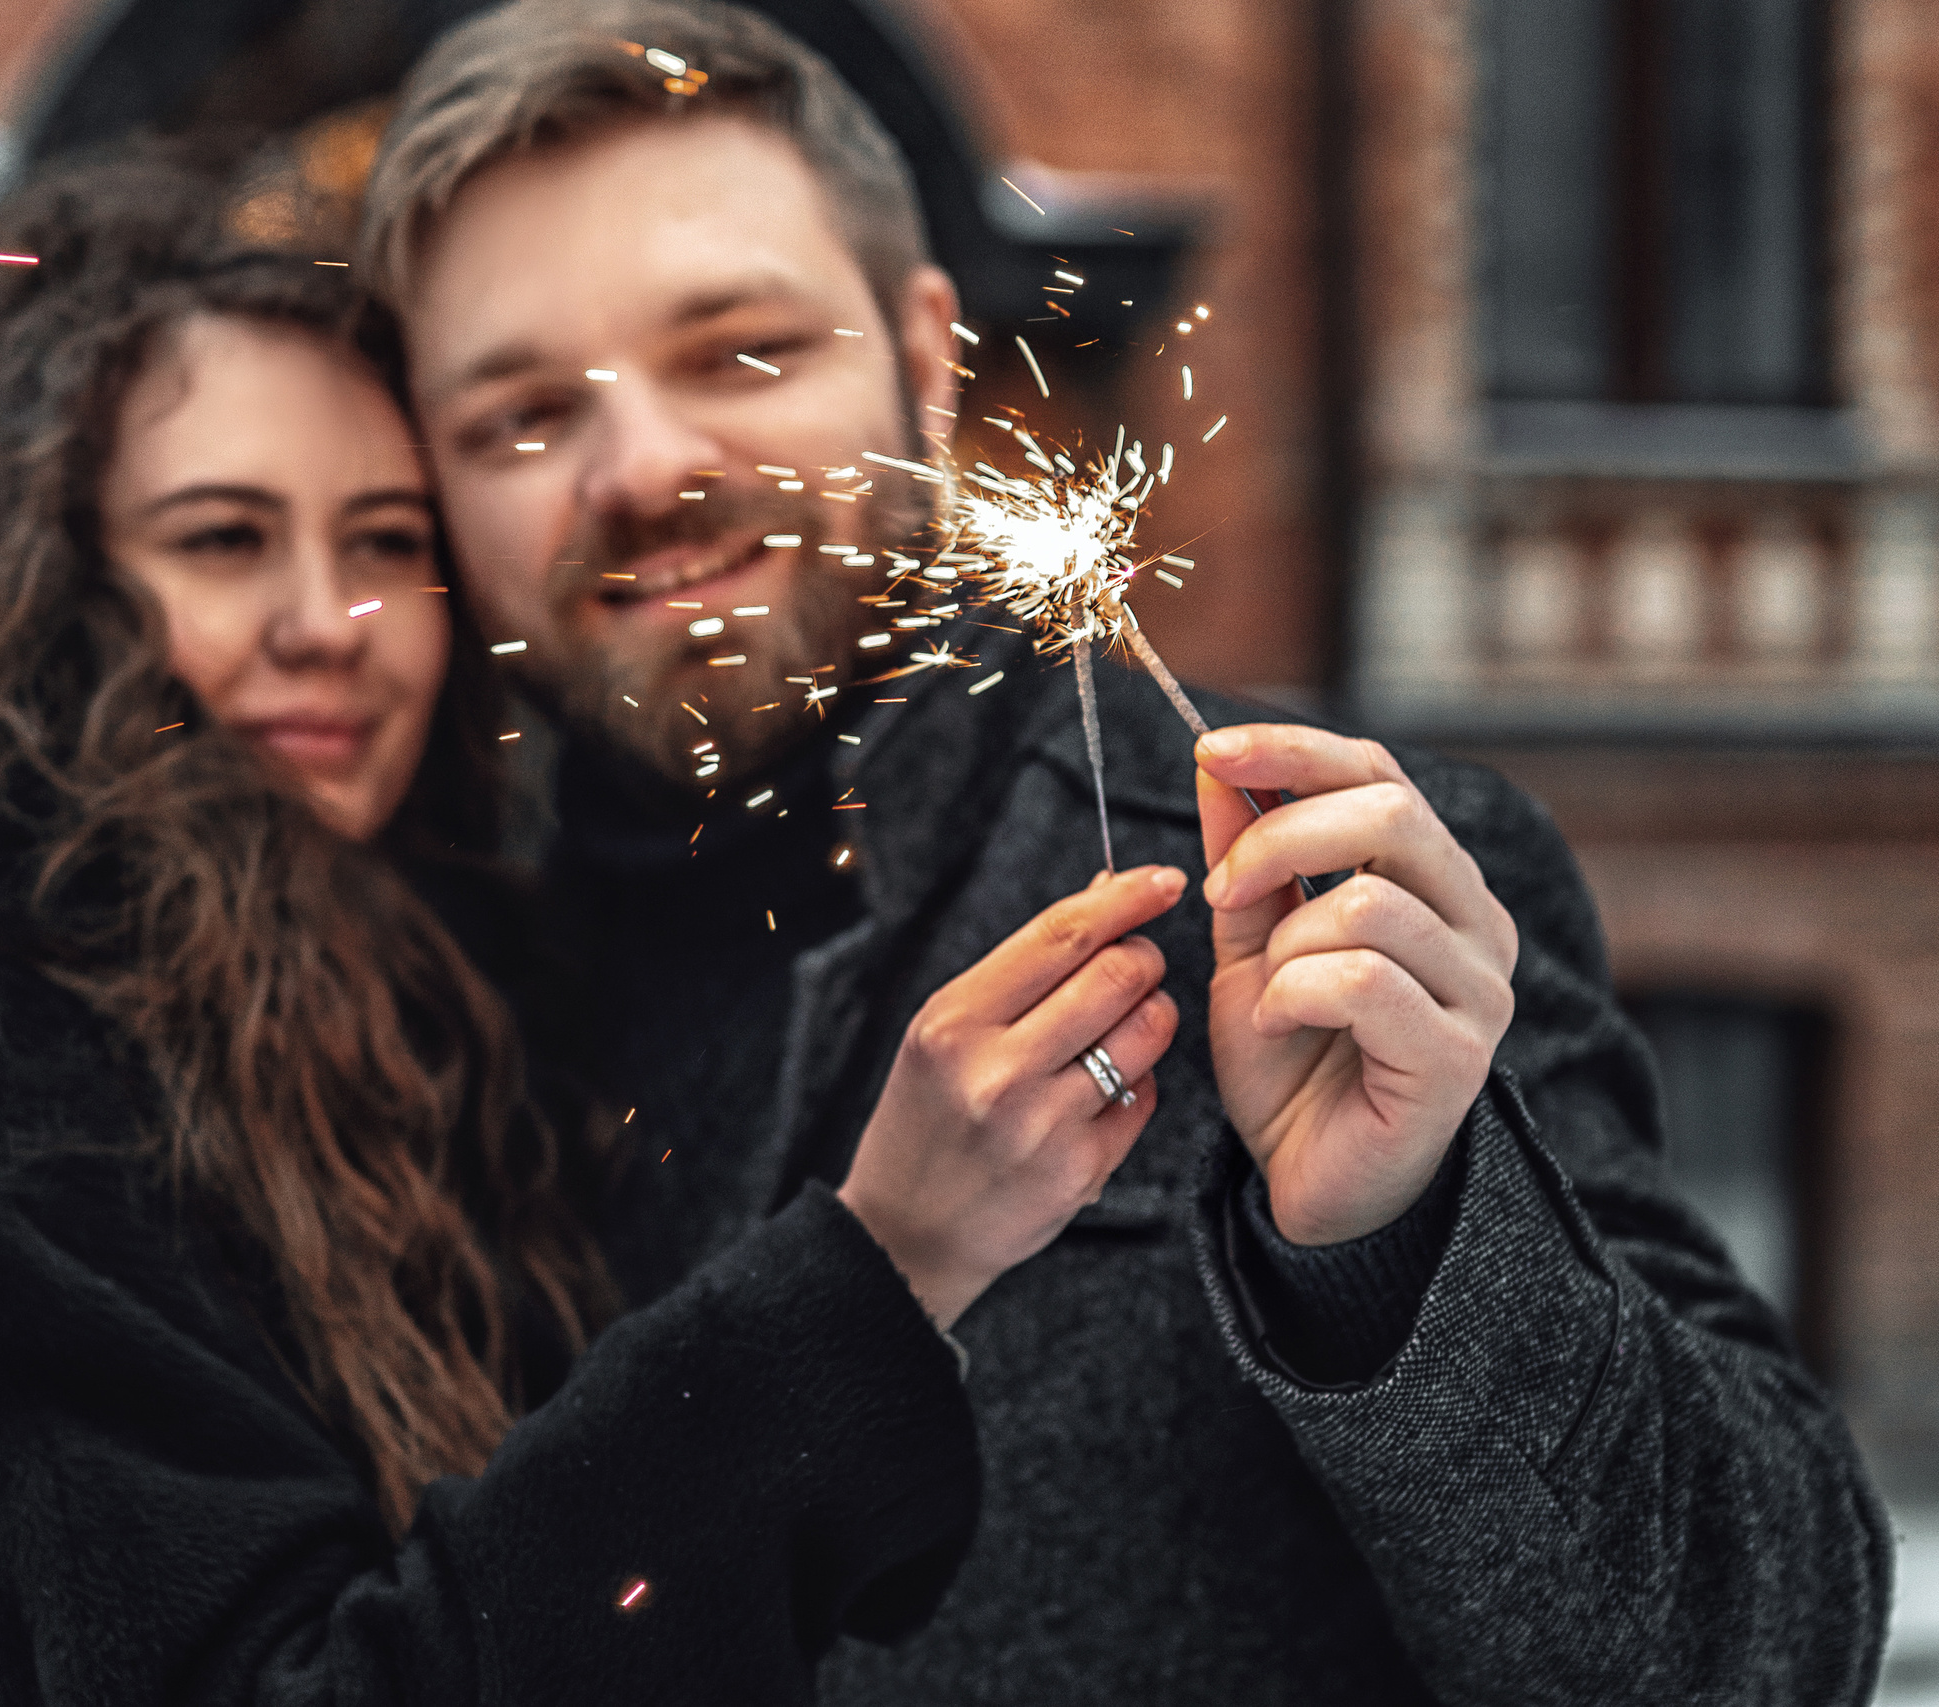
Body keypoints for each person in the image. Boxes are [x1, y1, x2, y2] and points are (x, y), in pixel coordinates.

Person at [358, 0, 1897, 1699]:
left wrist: (1397, 1247)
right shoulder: (378, 1007)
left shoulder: (1310, 890)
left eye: (739, 351)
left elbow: (1758, 1657)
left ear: (928, 357)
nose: (641, 469)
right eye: (520, 417)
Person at [0, 159, 1190, 1704]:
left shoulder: (423, 1012)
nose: (328, 620)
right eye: (222, 539)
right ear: (46, 595)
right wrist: (882, 1266)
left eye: (389, 541)